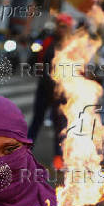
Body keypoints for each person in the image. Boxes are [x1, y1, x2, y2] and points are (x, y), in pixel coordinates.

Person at [28, 13, 74, 170]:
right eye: (59, 25)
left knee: (59, 127)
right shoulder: (48, 40)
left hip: (60, 93)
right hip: (44, 87)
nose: (61, 29)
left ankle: (58, 157)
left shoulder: (72, 46)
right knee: (36, 120)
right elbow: (36, 56)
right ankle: (26, 151)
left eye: (64, 26)